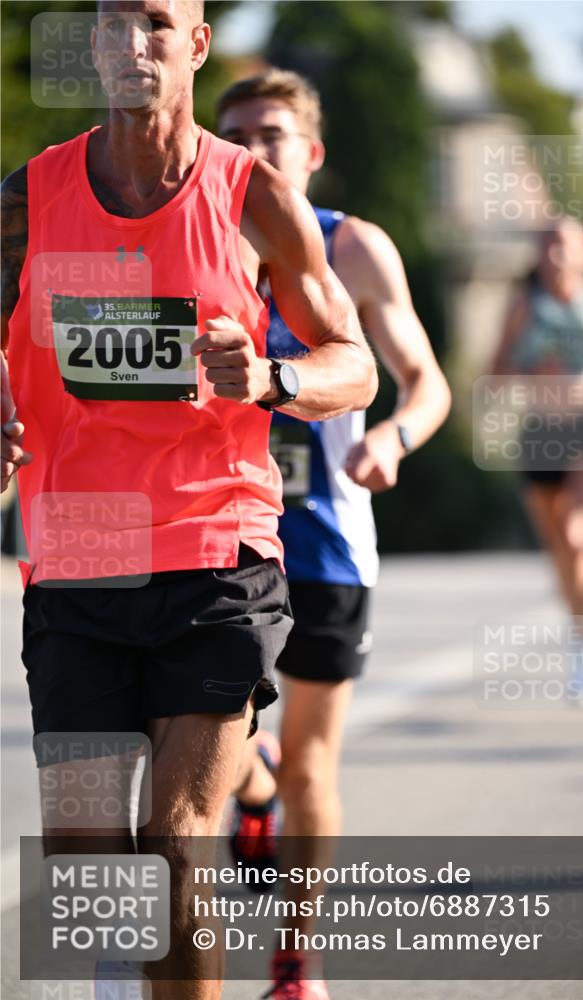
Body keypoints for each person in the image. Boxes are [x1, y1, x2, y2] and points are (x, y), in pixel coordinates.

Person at [0, 4, 377, 999]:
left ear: (196, 46)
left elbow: (354, 362)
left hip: (217, 553)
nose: (133, 45)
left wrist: (275, 379)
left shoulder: (251, 195)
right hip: (76, 560)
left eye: (157, 25)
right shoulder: (29, 197)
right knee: (86, 863)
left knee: (174, 847)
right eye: (113, 26)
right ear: (92, 45)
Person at [217, 69, 450, 999]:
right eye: (236, 136)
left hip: (323, 544)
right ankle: (253, 785)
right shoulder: (193, 241)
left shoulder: (351, 247)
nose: (253, 152)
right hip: (215, 532)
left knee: (312, 758)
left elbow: (424, 379)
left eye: (271, 135)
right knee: (207, 740)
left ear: (309, 153)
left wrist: (394, 436)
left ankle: (294, 967)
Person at [490, 217, 583, 706]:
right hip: (543, 431)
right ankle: (579, 623)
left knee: (577, 533)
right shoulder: (523, 307)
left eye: (565, 245)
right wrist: (534, 372)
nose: (556, 255)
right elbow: (496, 372)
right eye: (547, 245)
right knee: (558, 544)